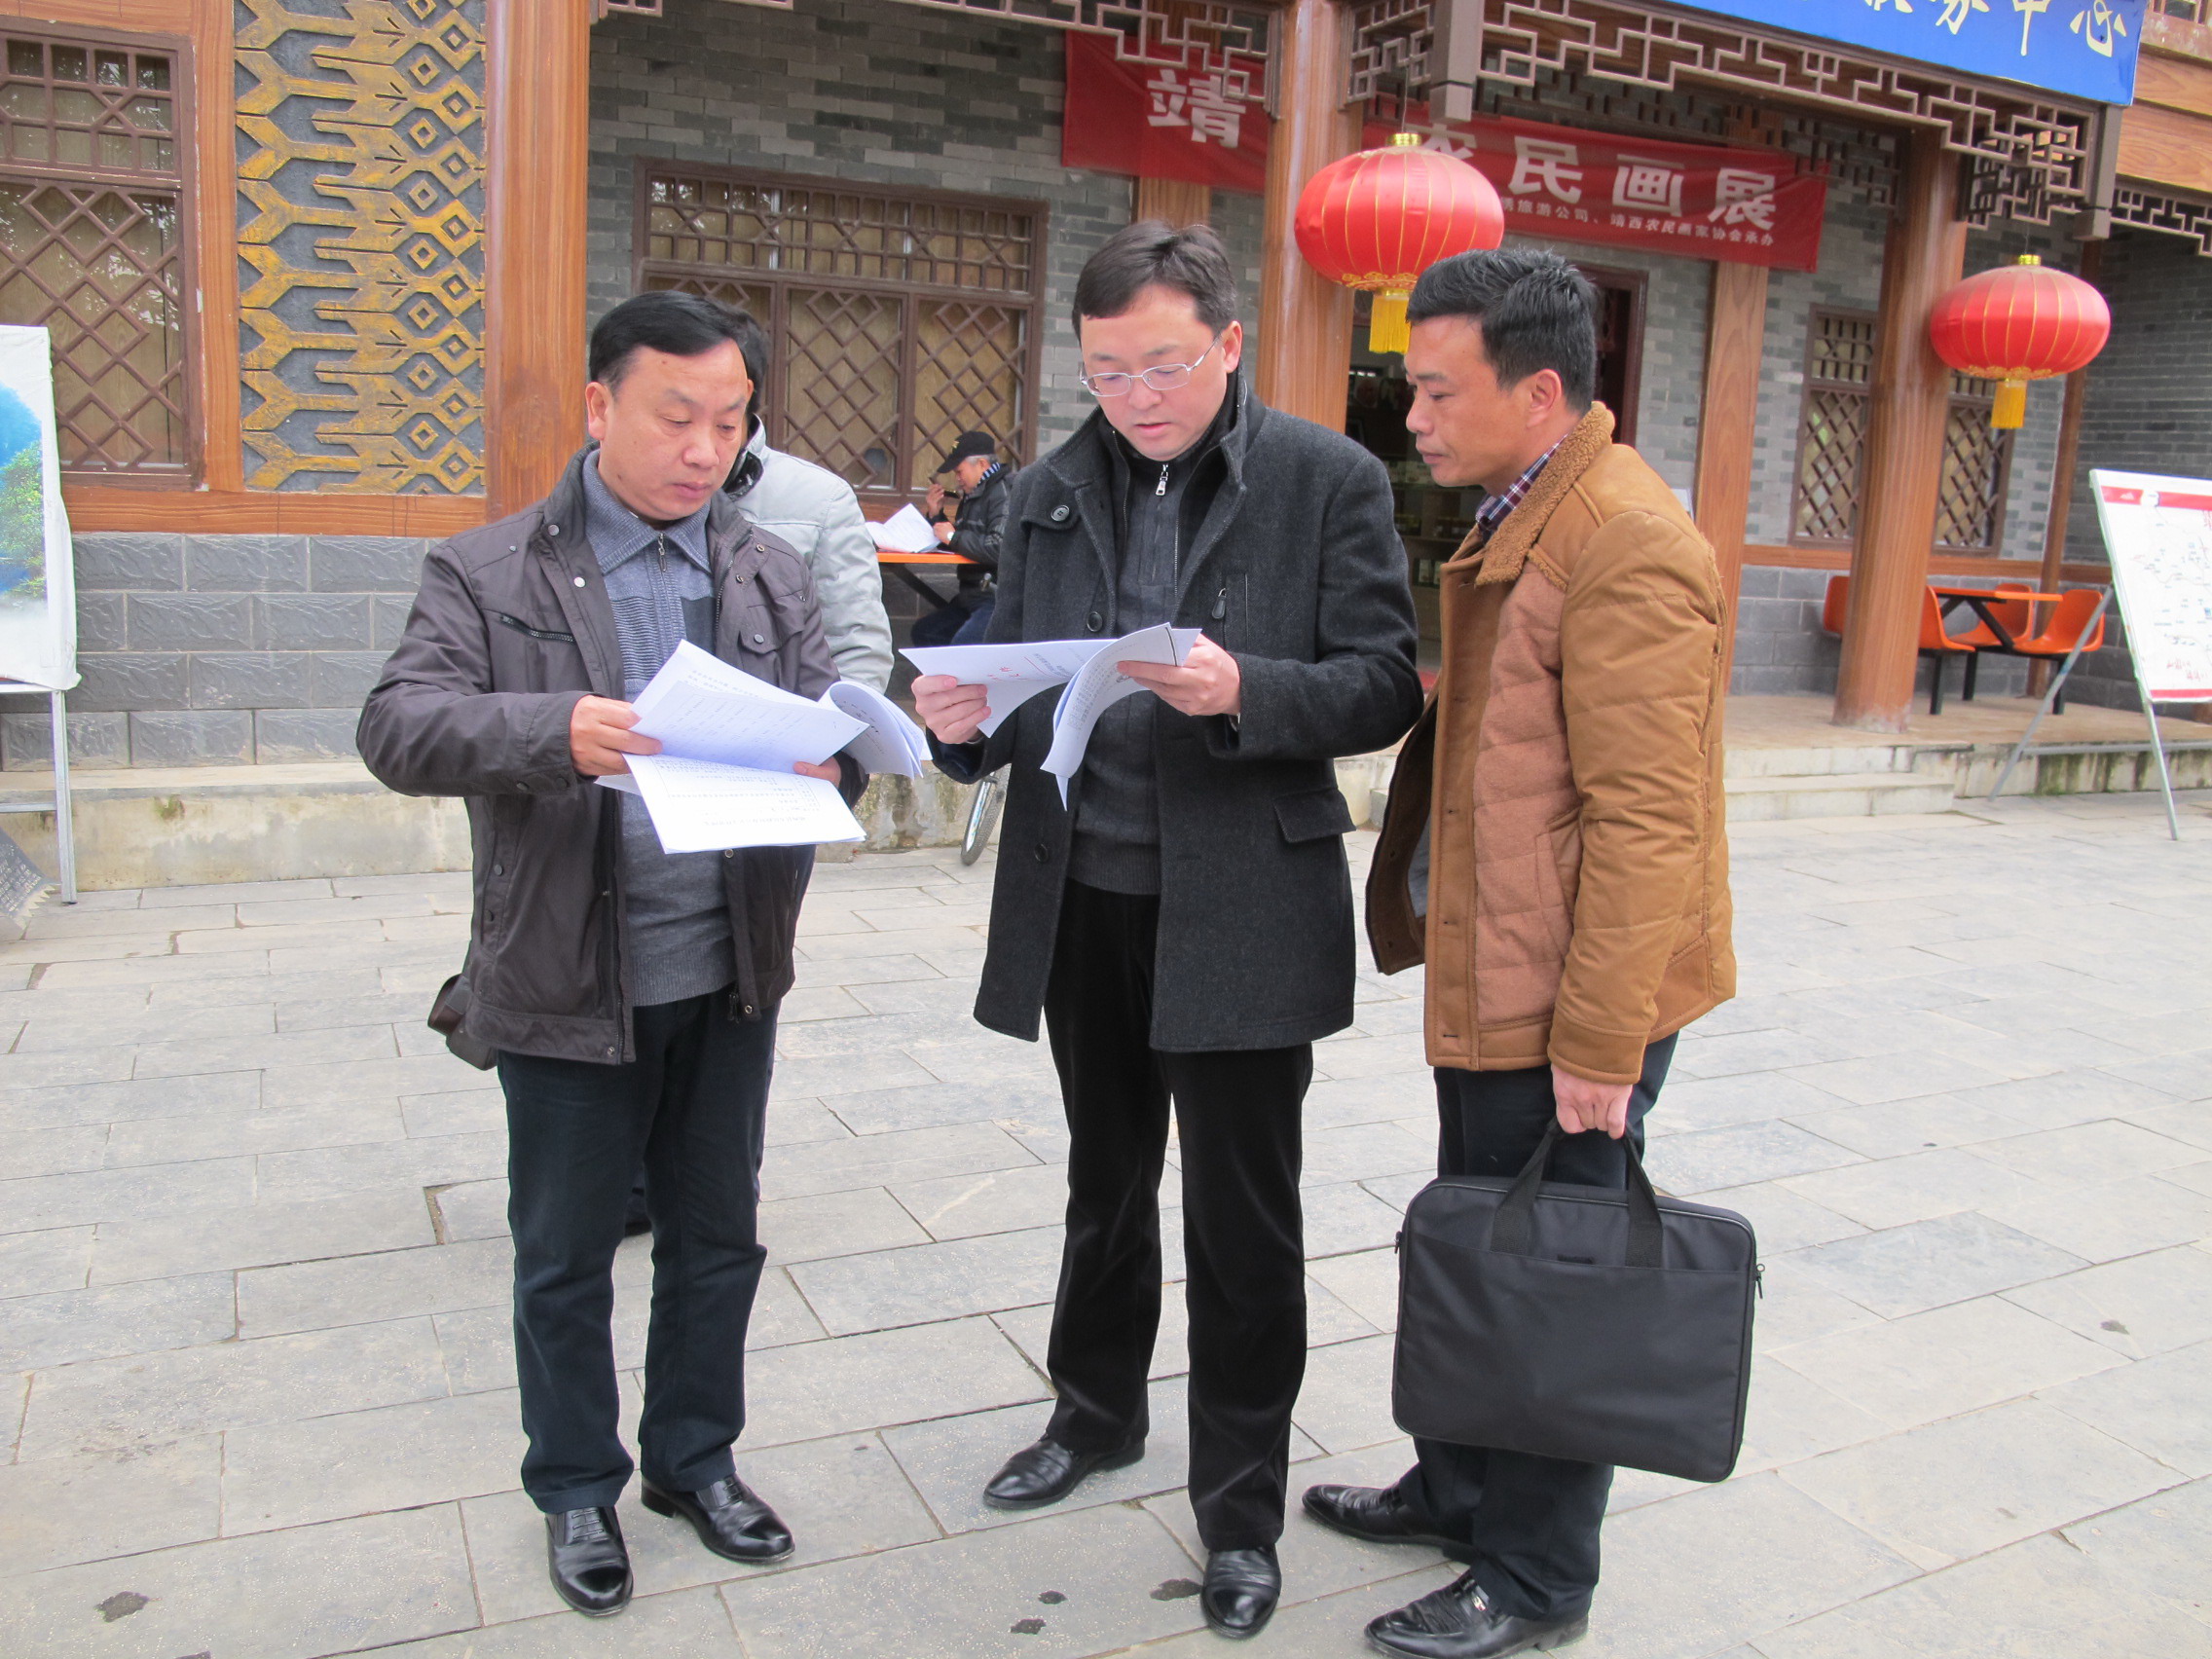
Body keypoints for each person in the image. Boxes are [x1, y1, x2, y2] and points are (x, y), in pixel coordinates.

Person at [908, 221, 1421, 1641]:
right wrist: (962, 719)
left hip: (1242, 899)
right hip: (1085, 890)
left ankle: (1241, 1510)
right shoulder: (1049, 492)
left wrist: (1247, 688)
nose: (1136, 395)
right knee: (1105, 1176)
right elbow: (1018, 677)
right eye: (1108, 370)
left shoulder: (1325, 479)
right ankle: (1093, 1413)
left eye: (1165, 365)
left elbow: (1385, 683)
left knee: (1245, 1219)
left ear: (1230, 344)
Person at [358, 291, 867, 1620]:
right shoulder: (489, 570)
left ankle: (695, 1464)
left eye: (731, 422)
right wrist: (552, 733)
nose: (704, 449)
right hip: (569, 975)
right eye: (675, 416)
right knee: (565, 1253)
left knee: (716, 1238)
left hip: (730, 967)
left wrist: (837, 762)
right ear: (600, 407)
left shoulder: (765, 569)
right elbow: (397, 726)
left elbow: (821, 725)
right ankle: (577, 1484)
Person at [1305, 249, 1734, 1659]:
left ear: (1537, 391)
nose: (1412, 415)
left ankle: (1538, 1579)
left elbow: (1649, 822)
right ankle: (1459, 1489)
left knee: (1553, 1276)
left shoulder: (1623, 539)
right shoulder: (1530, 511)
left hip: (1569, 1000)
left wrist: (1602, 1046)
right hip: (1501, 969)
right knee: (1487, 1245)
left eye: (1438, 390)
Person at [722, 310, 896, 690]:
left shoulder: (822, 500)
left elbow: (857, 646)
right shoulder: (624, 492)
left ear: (746, 393)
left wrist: (839, 727)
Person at [909, 429, 1012, 647]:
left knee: (962, 646)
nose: (957, 478)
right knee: (926, 633)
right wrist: (936, 515)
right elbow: (961, 541)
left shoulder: (1002, 492)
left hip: (995, 595)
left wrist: (952, 536)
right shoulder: (975, 493)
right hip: (970, 594)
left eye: (959, 471)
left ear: (982, 464)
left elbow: (1000, 548)